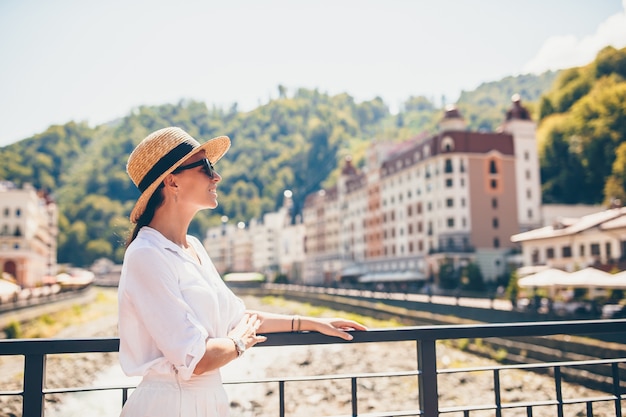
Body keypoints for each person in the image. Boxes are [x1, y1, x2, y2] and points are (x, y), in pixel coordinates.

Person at [118, 127, 366, 417]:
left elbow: (239, 319)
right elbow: (195, 358)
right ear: (172, 181)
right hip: (170, 406)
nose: (216, 177)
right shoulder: (147, 254)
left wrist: (312, 322)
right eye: (206, 167)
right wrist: (238, 342)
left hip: (207, 402)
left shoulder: (193, 247)